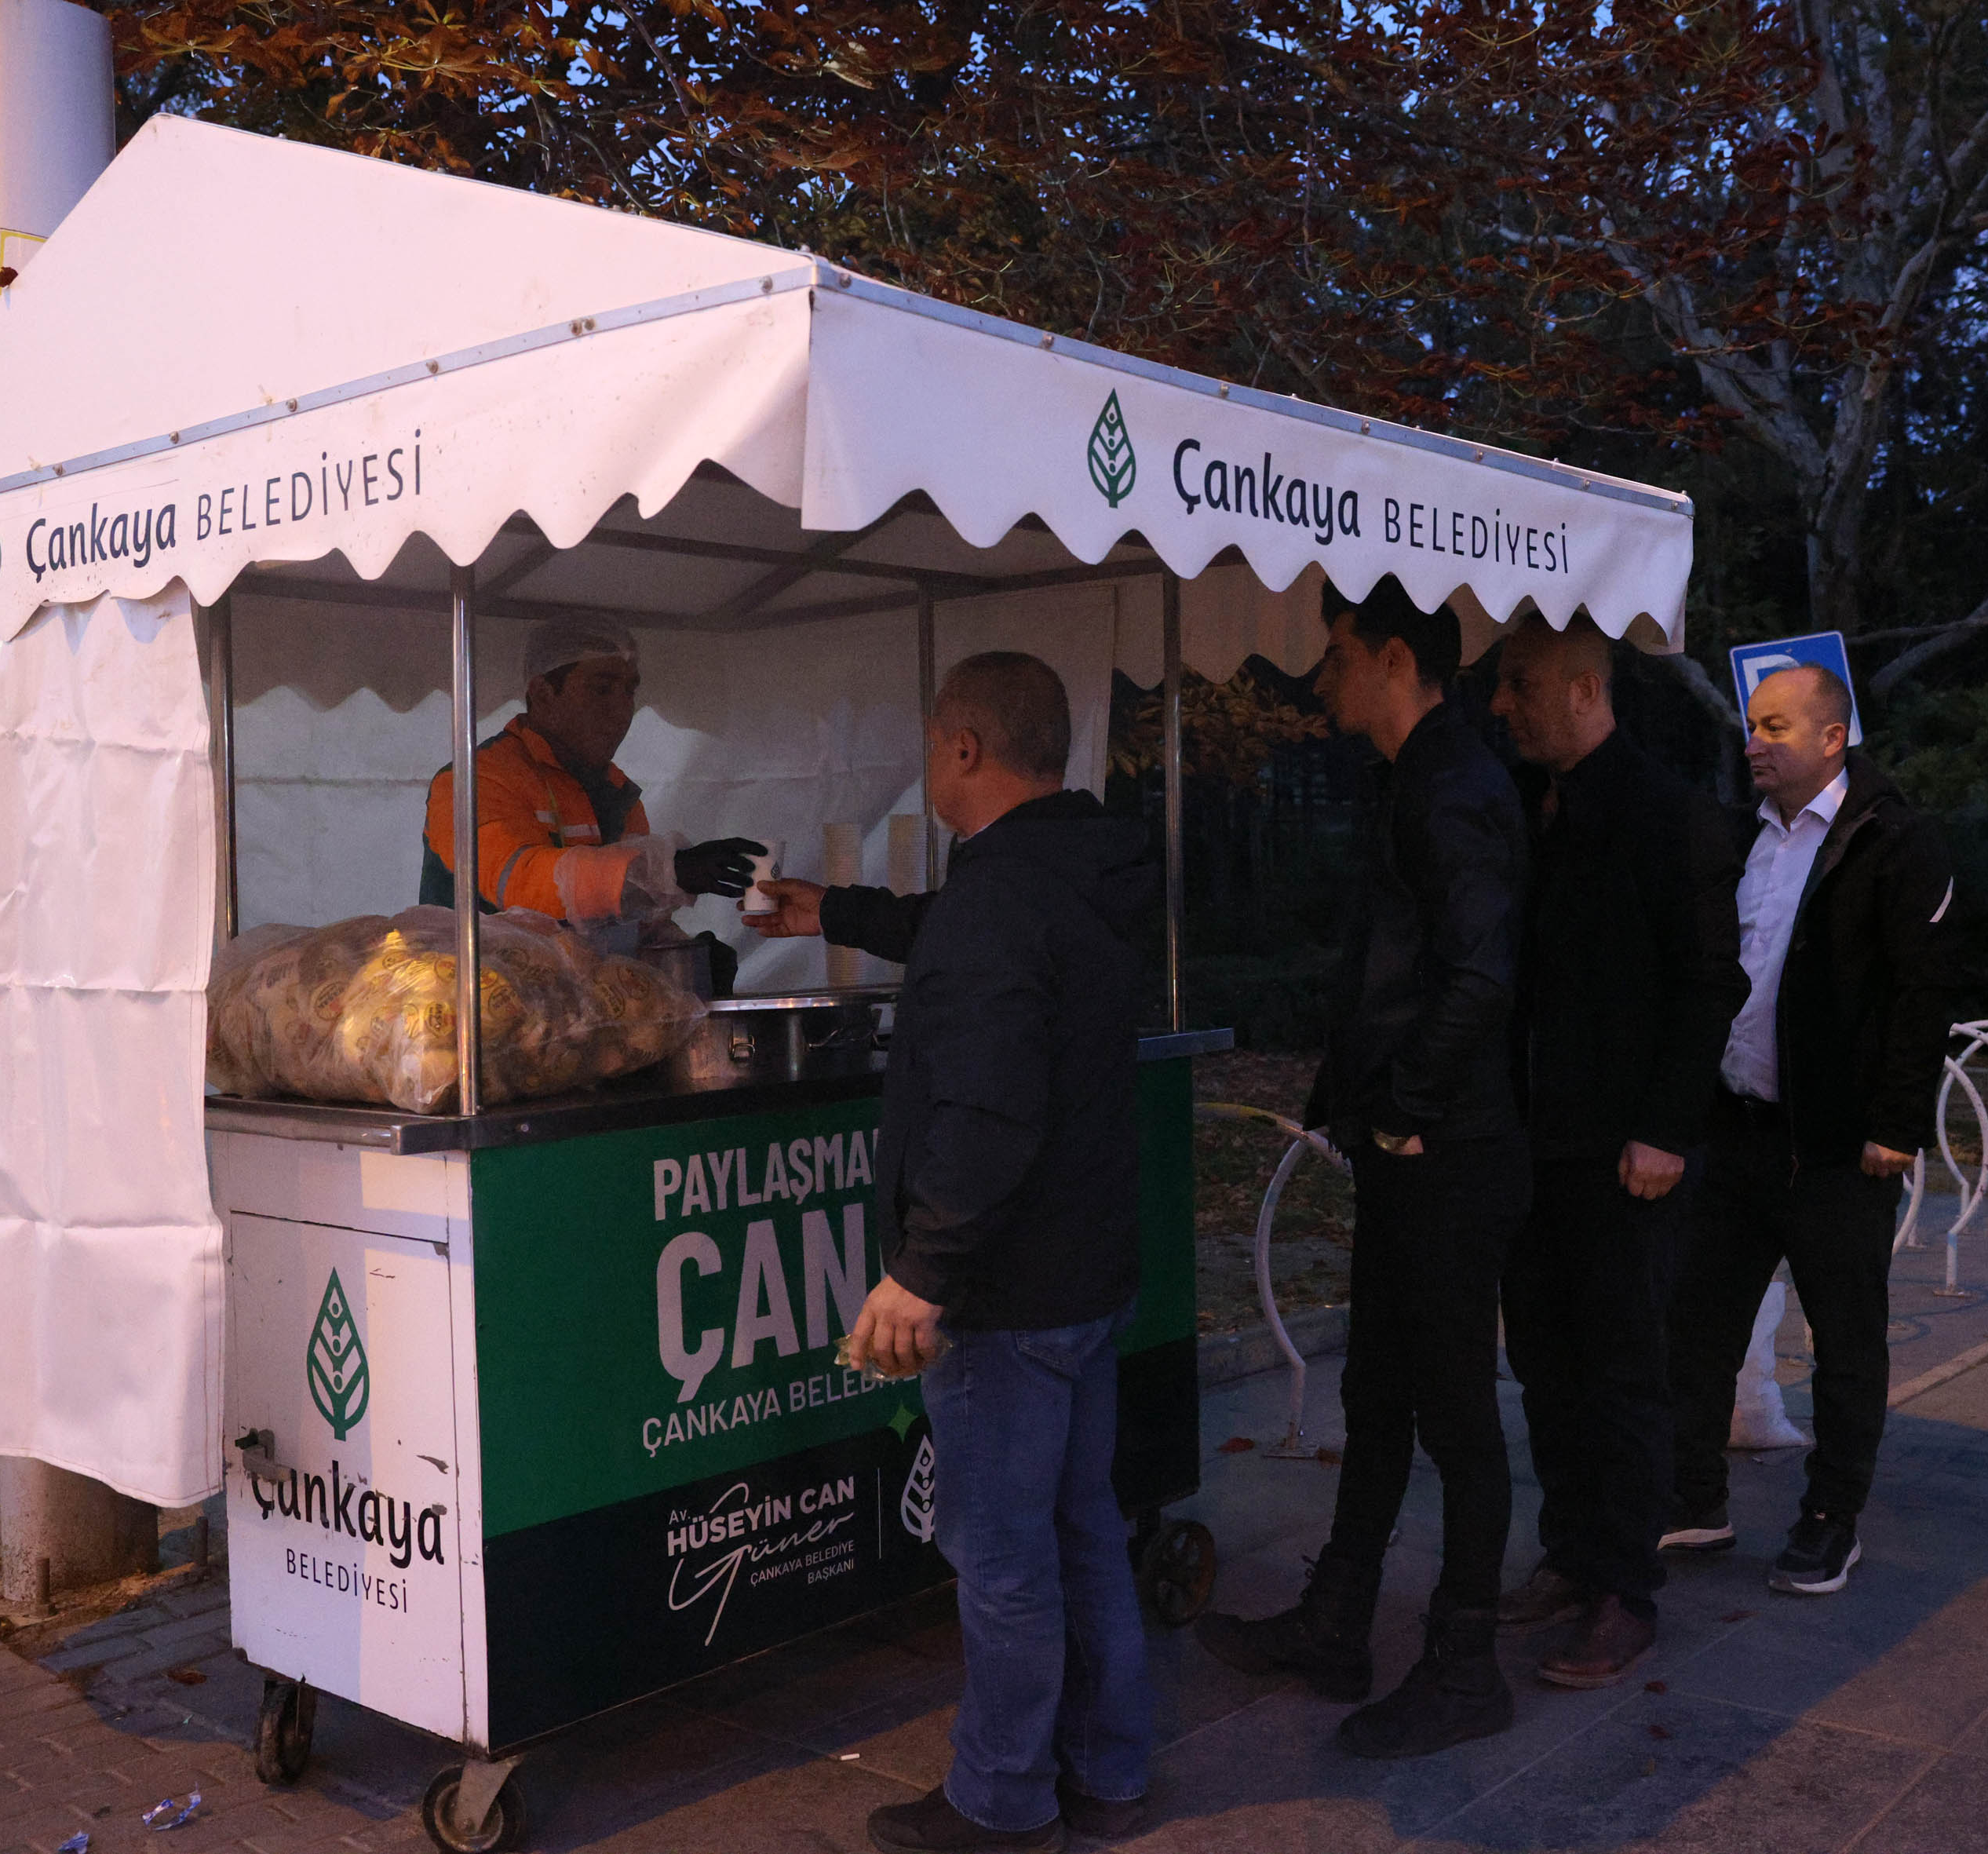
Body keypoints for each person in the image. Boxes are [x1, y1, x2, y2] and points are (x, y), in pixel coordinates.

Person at [747, 651, 1160, 1854]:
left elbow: (986, 1107)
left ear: (963, 748)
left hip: (1003, 1293)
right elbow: (956, 938)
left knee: (1001, 1556)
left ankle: (1002, 1799)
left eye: (933, 742)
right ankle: (1109, 1770)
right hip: (1087, 1271)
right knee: (1083, 1529)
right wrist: (833, 910)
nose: (929, 760)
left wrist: (923, 1269)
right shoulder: (1080, 867)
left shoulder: (999, 896)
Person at [1195, 576, 1531, 1758]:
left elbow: (1480, 973)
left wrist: (1402, 1106)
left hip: (1448, 1150)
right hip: (1416, 1146)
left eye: (1338, 652)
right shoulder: (1419, 778)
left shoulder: (1453, 784)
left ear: (1395, 659)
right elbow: (1404, 968)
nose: (1320, 674)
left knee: (1453, 1409)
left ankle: (1465, 1663)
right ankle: (1338, 1618)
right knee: (1379, 1390)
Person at [1484, 616, 1747, 1688]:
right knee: (1548, 1363)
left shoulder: (1667, 812)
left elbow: (1708, 980)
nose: (1501, 705)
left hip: (1627, 1151)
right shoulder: (1533, 806)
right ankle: (1572, 1551)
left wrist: (1665, 1127)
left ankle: (1623, 1587)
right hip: (1538, 1142)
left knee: (1623, 1370)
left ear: (1585, 690)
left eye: (1519, 684)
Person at [1663, 664, 1959, 1597]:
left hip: (1838, 1145)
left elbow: (1922, 992)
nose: (1755, 742)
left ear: (1834, 738)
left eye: (1777, 726)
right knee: (1698, 1324)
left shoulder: (1894, 840)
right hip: (1738, 1128)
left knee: (1845, 1341)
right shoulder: (1740, 835)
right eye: (1752, 725)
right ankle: (1693, 1499)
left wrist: (1897, 1121)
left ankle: (1832, 1518)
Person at [420, 615, 761, 925]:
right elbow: (522, 884)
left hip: (572, 976)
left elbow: (631, 915)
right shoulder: (471, 782)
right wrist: (670, 870)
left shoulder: (617, 792)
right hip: (472, 974)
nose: (622, 710)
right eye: (601, 689)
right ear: (543, 694)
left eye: (629, 691)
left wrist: (681, 950)